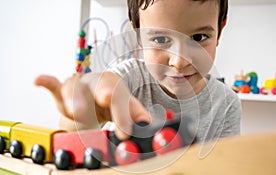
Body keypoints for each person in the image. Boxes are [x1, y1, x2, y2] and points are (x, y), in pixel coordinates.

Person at [35, 0, 241, 143]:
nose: (179, 62)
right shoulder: (126, 79)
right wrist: (83, 115)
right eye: (160, 40)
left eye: (198, 38)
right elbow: (71, 136)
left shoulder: (227, 103)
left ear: (220, 31)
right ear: (139, 36)